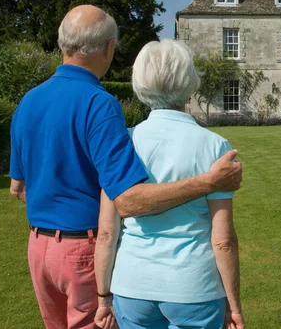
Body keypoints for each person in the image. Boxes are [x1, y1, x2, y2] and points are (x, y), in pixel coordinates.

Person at [9, 5, 242, 329]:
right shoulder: (99, 102)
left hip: (39, 247)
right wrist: (207, 182)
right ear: (108, 48)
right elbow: (128, 199)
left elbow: (18, 188)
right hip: (84, 247)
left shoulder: (28, 101)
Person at [94, 40, 245, 329]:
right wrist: (233, 304)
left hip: (132, 285)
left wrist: (103, 298)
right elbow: (223, 240)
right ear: (189, 81)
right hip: (194, 285)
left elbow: (106, 233)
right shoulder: (215, 146)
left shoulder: (123, 141)